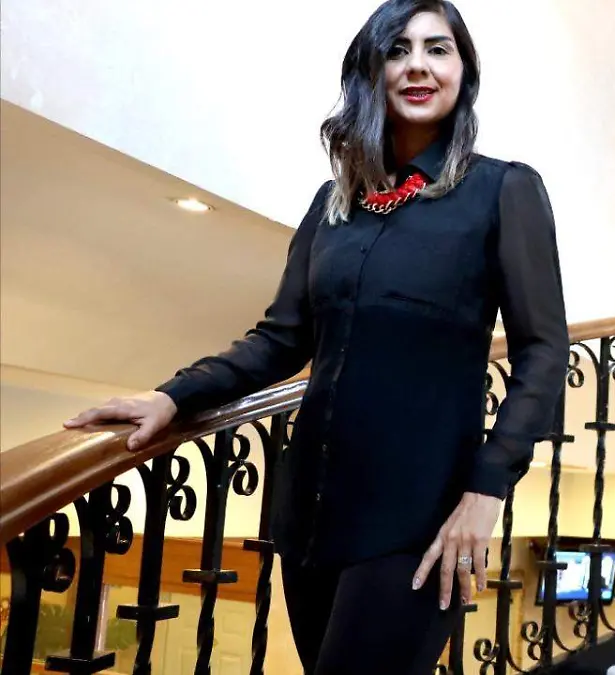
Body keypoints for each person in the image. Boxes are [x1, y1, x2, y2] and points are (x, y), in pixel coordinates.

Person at [64, 1, 569, 672]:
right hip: (308, 518)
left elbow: (543, 351)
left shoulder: (504, 190)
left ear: (463, 72)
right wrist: (173, 396)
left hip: (421, 521)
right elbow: (280, 338)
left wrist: (487, 489)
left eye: (437, 49)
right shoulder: (331, 205)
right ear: (371, 70)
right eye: (397, 49)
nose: (417, 65)